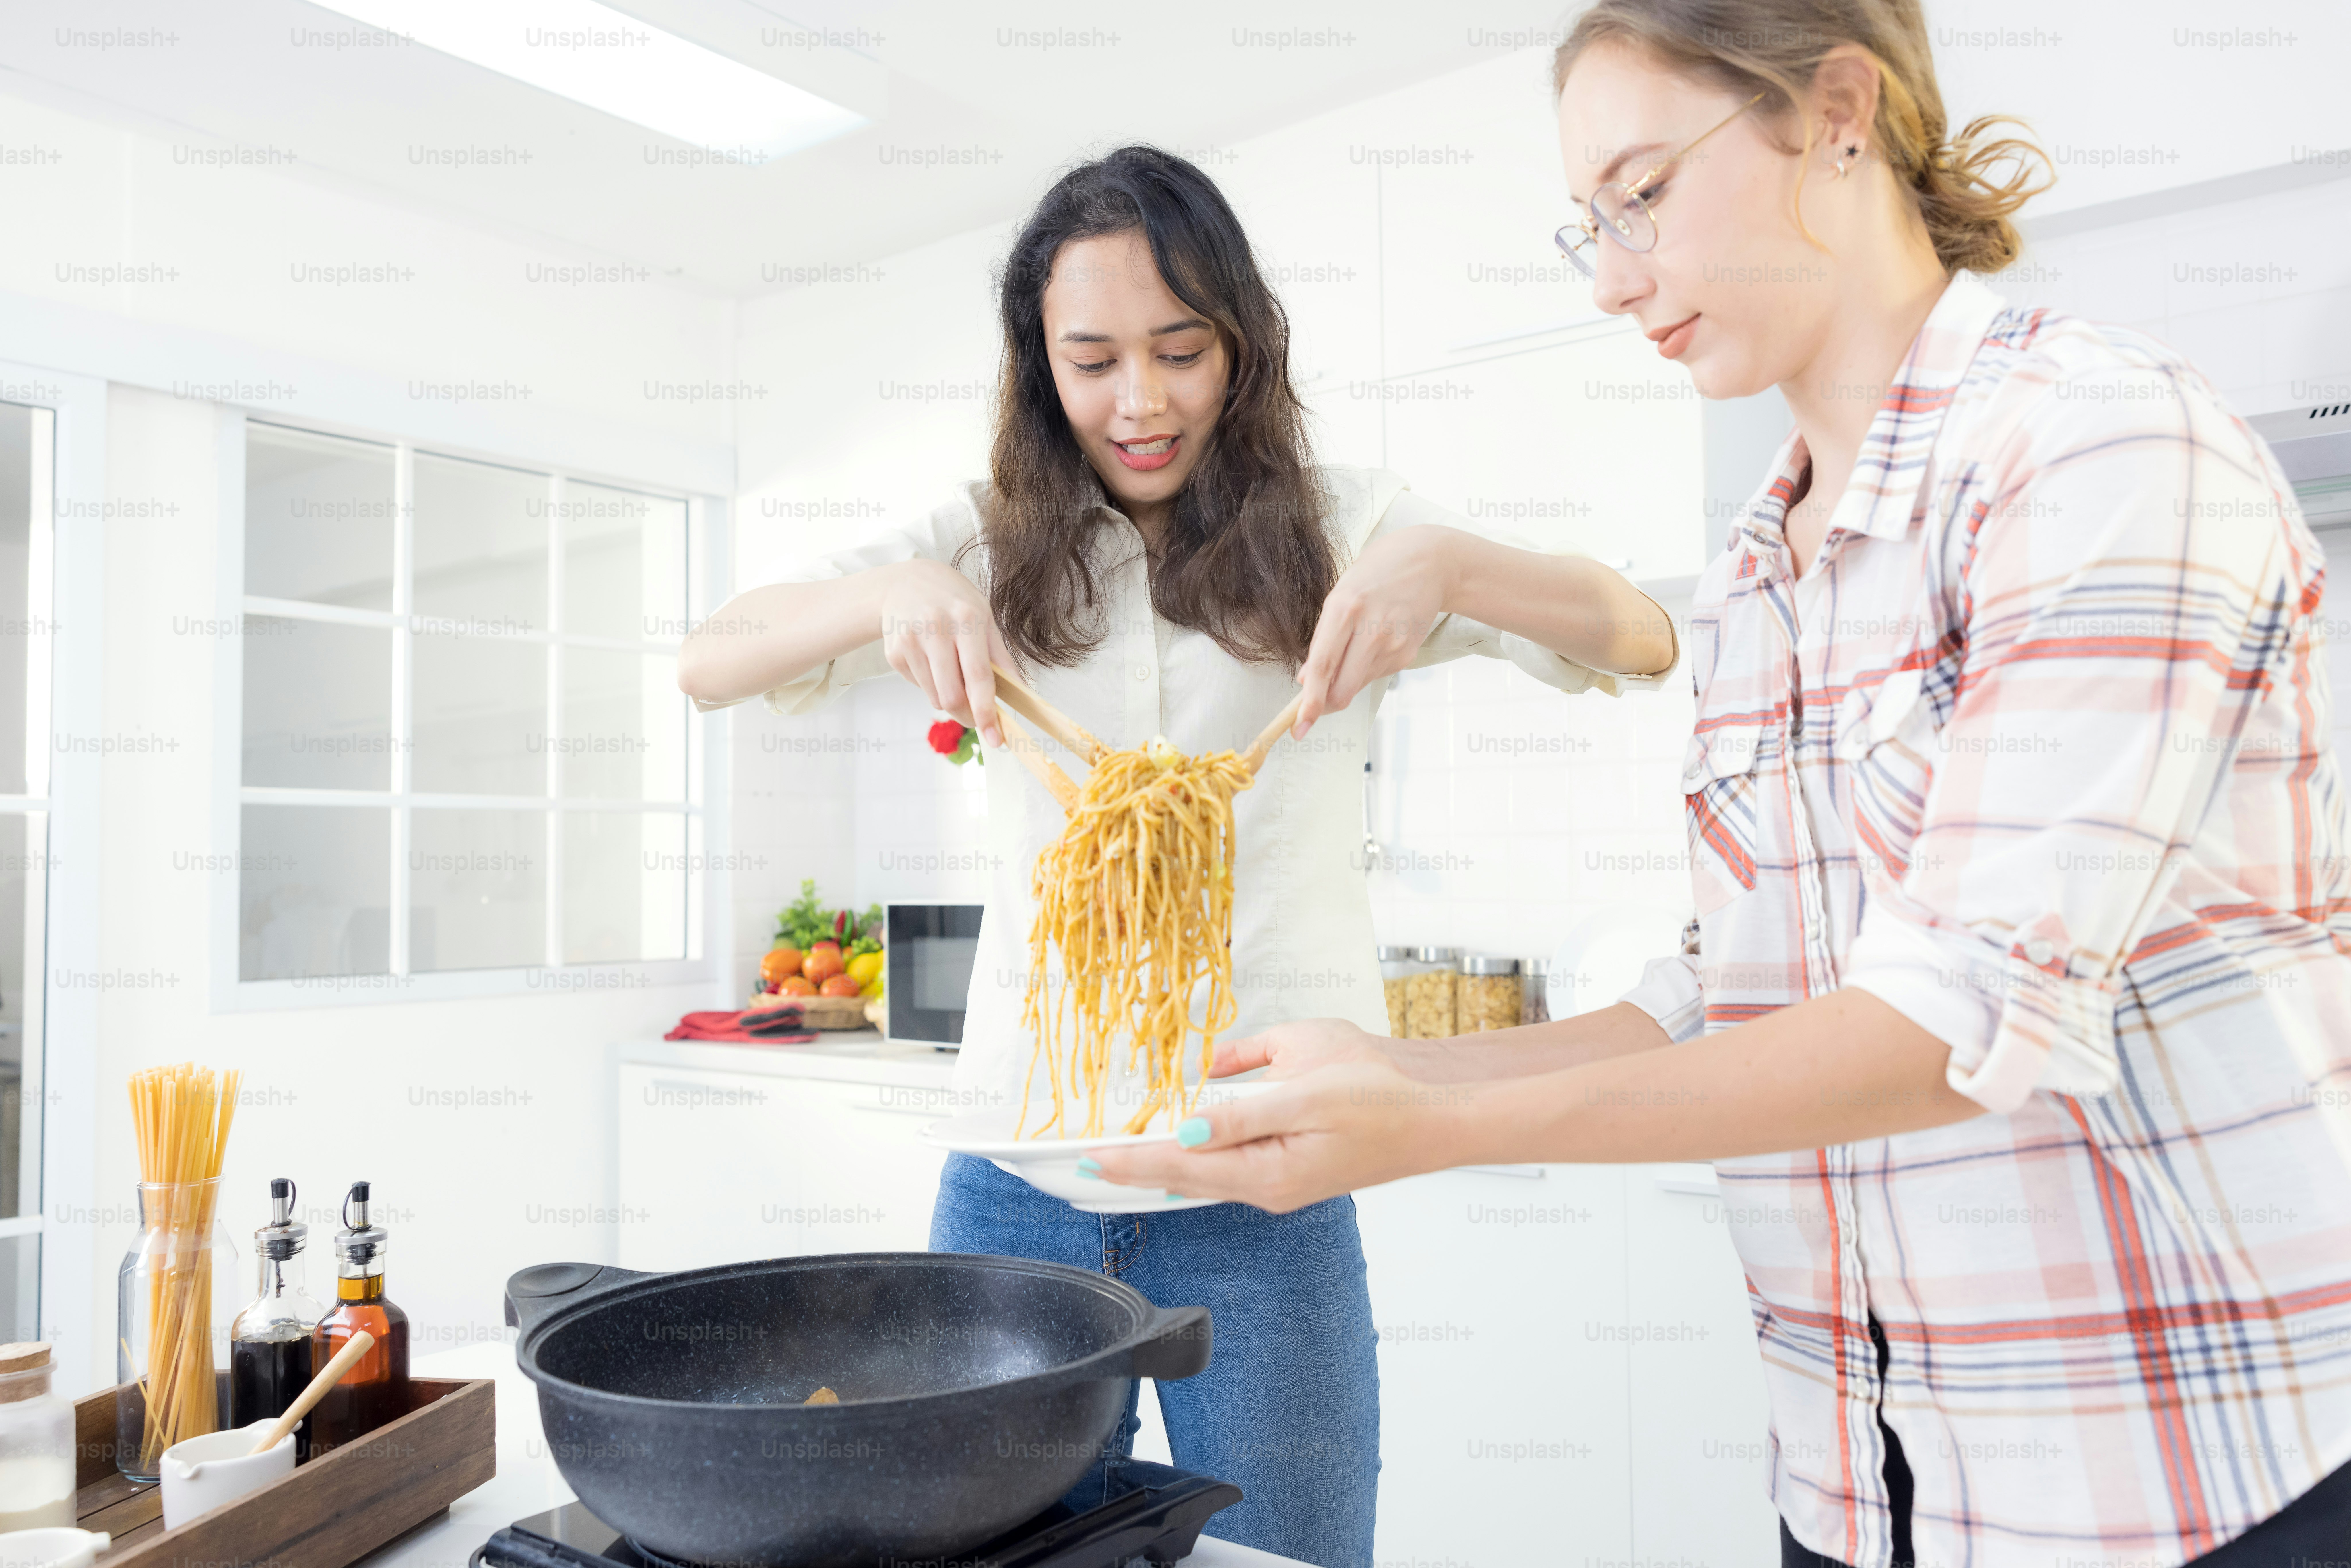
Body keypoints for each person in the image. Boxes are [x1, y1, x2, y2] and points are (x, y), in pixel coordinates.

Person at [1092, 5, 2351, 1565]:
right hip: (1856, 1473)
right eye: (1590, 226)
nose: (1616, 274)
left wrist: (1434, 1132)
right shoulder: (1759, 570)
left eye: (1644, 193)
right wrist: (1393, 1072)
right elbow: (1722, 991)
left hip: (2173, 1477)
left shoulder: (2091, 446)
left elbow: (1957, 1019)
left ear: (1837, 110)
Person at [677, 145, 1677, 1566]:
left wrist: (1450, 566)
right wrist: (887, 588)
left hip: (1264, 1183)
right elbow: (708, 665)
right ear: (1039, 367)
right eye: (1090, 361)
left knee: (1299, 1554)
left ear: (1241, 347)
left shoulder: (1350, 533)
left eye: (1179, 349)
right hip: (1016, 1175)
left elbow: (1636, 635)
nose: (1138, 402)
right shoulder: (980, 538)